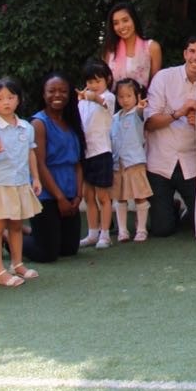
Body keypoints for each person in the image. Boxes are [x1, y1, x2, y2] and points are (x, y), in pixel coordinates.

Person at [144, 35, 196, 237]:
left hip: (192, 165)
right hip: (160, 162)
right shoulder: (163, 78)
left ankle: (188, 210)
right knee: (162, 229)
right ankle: (172, 207)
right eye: (192, 51)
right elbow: (149, 123)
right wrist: (179, 112)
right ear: (185, 53)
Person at [0, 78, 42, 287]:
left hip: (20, 184)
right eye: (0, 98)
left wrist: (36, 177)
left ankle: (17, 264)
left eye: (11, 97)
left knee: (16, 226)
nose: (6, 102)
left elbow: (31, 153)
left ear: (18, 100)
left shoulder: (26, 127)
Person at [22, 73, 86, 263]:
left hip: (69, 193)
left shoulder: (72, 122)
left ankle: (33, 232)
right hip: (46, 195)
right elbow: (40, 164)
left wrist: (78, 196)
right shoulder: (39, 123)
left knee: (69, 249)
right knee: (47, 254)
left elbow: (78, 163)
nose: (57, 95)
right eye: (52, 91)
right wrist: (59, 198)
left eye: (63, 91)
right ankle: (11, 237)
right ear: (43, 94)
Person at [77, 58, 117, 250]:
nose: (93, 85)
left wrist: (91, 96)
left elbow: (102, 101)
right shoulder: (82, 102)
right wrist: (82, 98)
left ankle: (105, 234)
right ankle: (92, 234)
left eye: (97, 81)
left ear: (107, 80)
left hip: (102, 152)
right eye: (90, 82)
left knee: (103, 196)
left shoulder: (108, 97)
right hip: (85, 153)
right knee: (88, 196)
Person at [110, 78, 152, 242]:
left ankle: (141, 229)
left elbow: (141, 115)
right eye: (121, 96)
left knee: (140, 195)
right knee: (120, 197)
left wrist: (141, 108)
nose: (124, 100)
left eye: (128, 95)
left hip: (135, 162)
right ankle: (123, 231)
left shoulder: (138, 113)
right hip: (118, 163)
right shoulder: (114, 118)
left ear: (137, 96)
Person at [102, 1, 162, 88]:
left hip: (142, 100)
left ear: (134, 20)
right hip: (111, 100)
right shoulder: (110, 49)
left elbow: (156, 86)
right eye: (116, 23)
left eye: (125, 20)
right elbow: (102, 84)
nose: (121, 26)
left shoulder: (152, 48)